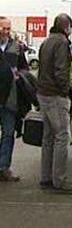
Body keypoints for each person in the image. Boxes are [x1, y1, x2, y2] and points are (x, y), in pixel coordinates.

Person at [37, 14, 72, 194]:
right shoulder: (62, 43)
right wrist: (66, 92)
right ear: (67, 27)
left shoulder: (46, 42)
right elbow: (61, 71)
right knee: (62, 136)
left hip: (43, 93)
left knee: (48, 137)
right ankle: (60, 180)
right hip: (56, 95)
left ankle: (46, 177)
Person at [0, 16, 29, 182]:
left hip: (10, 98)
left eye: (8, 28)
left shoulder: (16, 48)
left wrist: (20, 75)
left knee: (9, 133)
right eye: (3, 28)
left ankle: (4, 167)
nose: (6, 31)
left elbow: (25, 69)